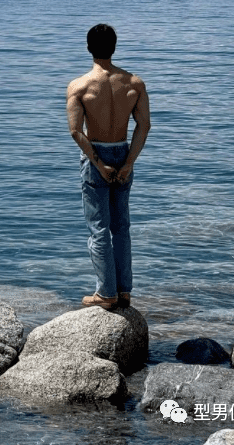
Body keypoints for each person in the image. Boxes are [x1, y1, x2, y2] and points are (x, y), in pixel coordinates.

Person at [66, 23, 151, 310]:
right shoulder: (134, 83)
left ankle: (106, 293)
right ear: (114, 47)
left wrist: (100, 165)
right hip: (123, 152)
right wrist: (128, 163)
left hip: (96, 157)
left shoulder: (80, 86)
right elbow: (144, 126)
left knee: (99, 229)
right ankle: (124, 291)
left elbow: (76, 131)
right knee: (122, 227)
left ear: (88, 48)